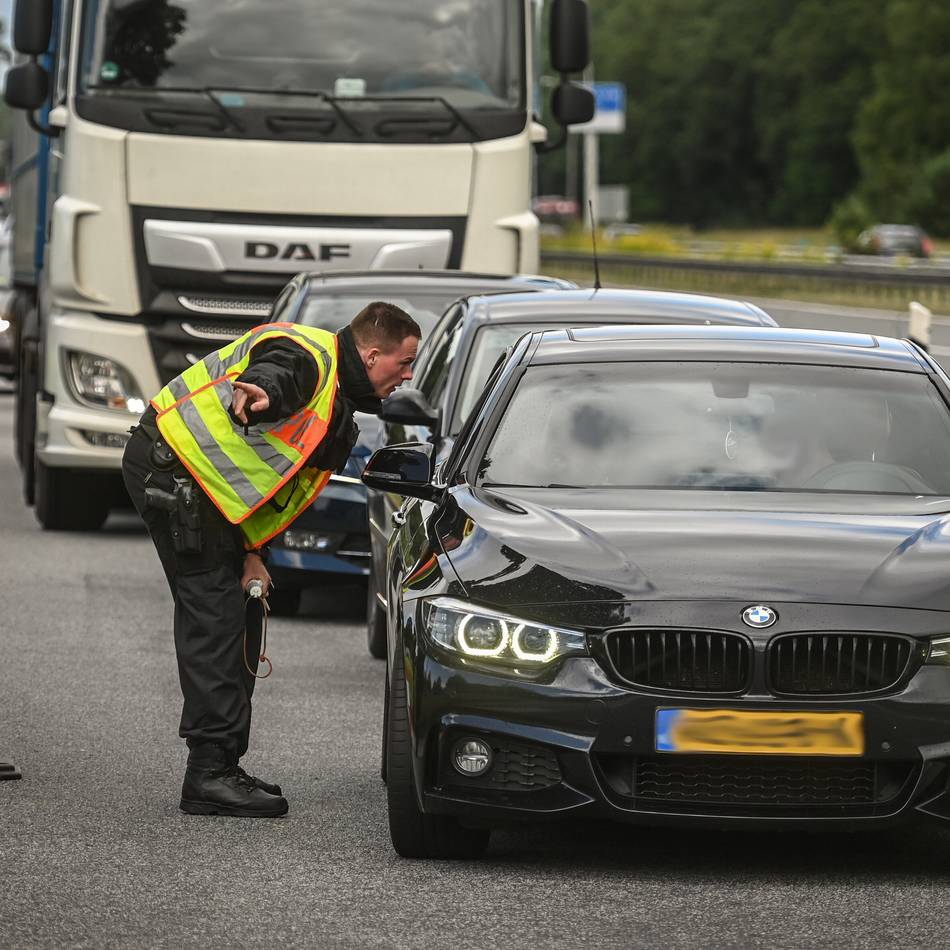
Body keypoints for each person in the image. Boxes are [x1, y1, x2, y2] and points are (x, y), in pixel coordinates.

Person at [121, 301, 421, 817]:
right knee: (215, 616)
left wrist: (252, 553)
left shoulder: (337, 405)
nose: (408, 376)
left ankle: (222, 763)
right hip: (174, 470)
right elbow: (278, 369)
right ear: (372, 356)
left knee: (240, 608)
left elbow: (263, 486)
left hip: (211, 496)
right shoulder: (310, 358)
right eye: (404, 363)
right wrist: (262, 388)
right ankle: (209, 774)